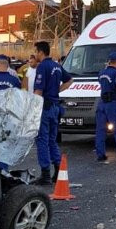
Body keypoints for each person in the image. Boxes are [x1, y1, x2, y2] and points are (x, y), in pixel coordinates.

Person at [33, 41, 73, 185]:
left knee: (42, 140)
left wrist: (33, 110)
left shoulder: (42, 66)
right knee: (52, 140)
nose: (35, 54)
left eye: (36, 51)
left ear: (41, 52)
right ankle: (58, 170)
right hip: (55, 106)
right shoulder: (57, 65)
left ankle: (45, 174)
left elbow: (38, 91)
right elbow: (70, 81)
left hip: (45, 107)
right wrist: (57, 91)